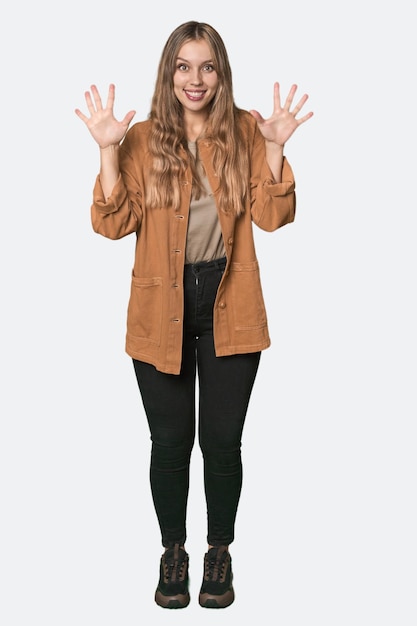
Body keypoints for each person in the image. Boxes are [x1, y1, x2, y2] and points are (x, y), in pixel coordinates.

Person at [75, 20, 313, 610]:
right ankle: (173, 550)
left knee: (223, 442)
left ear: (221, 72)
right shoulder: (141, 138)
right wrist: (108, 149)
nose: (196, 79)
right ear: (169, 73)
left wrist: (276, 145)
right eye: (184, 66)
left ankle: (220, 551)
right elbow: (112, 223)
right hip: (161, 305)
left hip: (231, 302)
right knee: (170, 442)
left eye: (207, 67)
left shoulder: (244, 133)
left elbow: (271, 216)